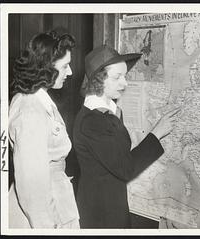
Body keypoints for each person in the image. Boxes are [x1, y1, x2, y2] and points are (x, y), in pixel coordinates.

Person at [73, 45, 179, 228]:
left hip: (111, 205)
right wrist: (156, 133)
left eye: (124, 76)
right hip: (101, 214)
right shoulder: (92, 121)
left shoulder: (107, 112)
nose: (125, 83)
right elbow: (126, 167)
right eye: (117, 77)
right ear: (98, 80)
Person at [8, 31, 79, 228]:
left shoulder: (35, 101)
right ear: (46, 68)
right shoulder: (31, 110)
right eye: (65, 66)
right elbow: (32, 189)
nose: (70, 72)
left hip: (55, 204)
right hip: (44, 217)